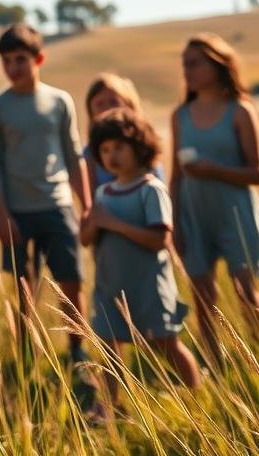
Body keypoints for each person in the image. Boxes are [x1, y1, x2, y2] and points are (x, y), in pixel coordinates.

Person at [0, 23, 92, 364]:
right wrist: (2, 216)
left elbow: (73, 155)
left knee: (71, 282)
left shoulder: (60, 101)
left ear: (38, 58)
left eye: (20, 59)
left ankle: (77, 354)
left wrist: (86, 205)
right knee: (25, 289)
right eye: (6, 61)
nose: (13, 68)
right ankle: (27, 354)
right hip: (16, 213)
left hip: (57, 206)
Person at [81, 108, 199, 422]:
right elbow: (87, 238)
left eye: (119, 147)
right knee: (109, 348)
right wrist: (91, 224)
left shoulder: (151, 189)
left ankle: (196, 397)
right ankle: (108, 406)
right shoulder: (102, 192)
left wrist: (113, 223)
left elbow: (159, 240)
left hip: (148, 287)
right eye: (104, 150)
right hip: (110, 287)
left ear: (140, 147)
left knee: (167, 343)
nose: (111, 156)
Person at [170, 34, 259, 367]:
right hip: (194, 215)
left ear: (218, 64)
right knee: (202, 295)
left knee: (245, 291)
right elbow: (175, 175)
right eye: (185, 64)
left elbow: (257, 173)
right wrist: (174, 223)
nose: (188, 70)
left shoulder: (240, 111)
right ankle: (214, 365)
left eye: (195, 63)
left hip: (236, 213)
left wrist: (214, 170)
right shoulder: (180, 115)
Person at [81, 73, 166, 194]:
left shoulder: (143, 146)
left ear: (130, 105)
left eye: (113, 102)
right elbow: (91, 201)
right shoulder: (89, 153)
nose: (107, 109)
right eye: (99, 104)